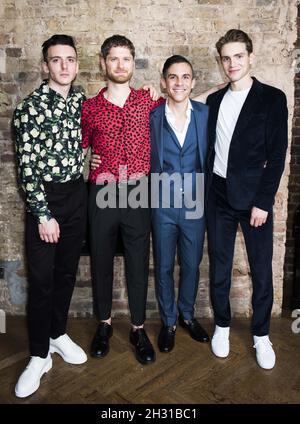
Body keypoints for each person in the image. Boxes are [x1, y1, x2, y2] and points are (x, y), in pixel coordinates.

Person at [206, 29, 288, 369]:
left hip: (254, 198)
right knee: (219, 267)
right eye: (226, 58)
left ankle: (261, 335)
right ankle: (222, 325)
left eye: (239, 56)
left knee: (261, 270)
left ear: (250, 57)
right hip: (218, 196)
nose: (232, 63)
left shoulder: (272, 98)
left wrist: (263, 202)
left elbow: (278, 154)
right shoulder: (213, 100)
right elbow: (183, 99)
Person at [81, 35, 164, 365]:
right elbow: (78, 149)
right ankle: (104, 324)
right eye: (113, 58)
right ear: (103, 63)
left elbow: (183, 100)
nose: (119, 65)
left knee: (137, 261)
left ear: (133, 63)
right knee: (100, 258)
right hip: (101, 191)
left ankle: (138, 328)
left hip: (137, 190)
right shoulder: (89, 107)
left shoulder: (148, 101)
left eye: (125, 59)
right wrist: (85, 162)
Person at [13, 34, 87, 398]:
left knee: (67, 273)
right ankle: (38, 355)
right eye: (56, 60)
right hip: (45, 199)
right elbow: (26, 168)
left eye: (69, 59)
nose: (63, 66)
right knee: (42, 282)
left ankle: (57, 334)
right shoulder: (29, 108)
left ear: (76, 64)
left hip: (77, 195)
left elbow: (89, 140)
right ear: (45, 66)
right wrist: (42, 215)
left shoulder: (80, 99)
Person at [150, 55, 210, 352]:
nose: (179, 82)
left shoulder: (204, 113)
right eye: (173, 77)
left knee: (191, 264)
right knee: (163, 267)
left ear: (193, 82)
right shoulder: (151, 115)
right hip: (161, 204)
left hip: (195, 202)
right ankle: (169, 321)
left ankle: (187, 315)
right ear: (164, 81)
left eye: (185, 77)